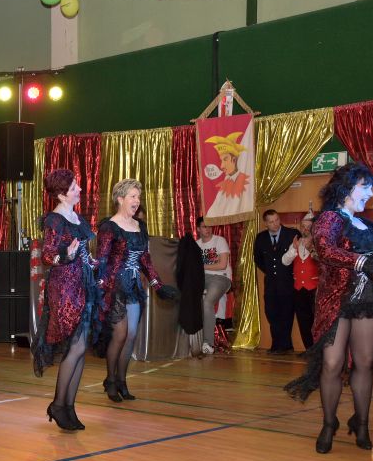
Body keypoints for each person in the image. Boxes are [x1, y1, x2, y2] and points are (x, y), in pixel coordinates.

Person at [284, 163, 373, 454]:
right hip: (334, 301)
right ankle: (328, 424)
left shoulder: (365, 226)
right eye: (365, 187)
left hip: (365, 301)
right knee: (332, 364)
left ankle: (361, 423)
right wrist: (364, 262)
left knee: (364, 363)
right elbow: (326, 249)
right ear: (346, 188)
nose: (370, 193)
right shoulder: (330, 218)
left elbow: (372, 262)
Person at [94, 179, 179, 402]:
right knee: (120, 334)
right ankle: (110, 380)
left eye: (138, 197)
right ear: (120, 199)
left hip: (133, 286)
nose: (137, 200)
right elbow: (102, 260)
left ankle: (122, 381)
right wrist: (100, 289)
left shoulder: (140, 226)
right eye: (133, 196)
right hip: (114, 286)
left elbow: (145, 259)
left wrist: (157, 285)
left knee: (131, 335)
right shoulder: (109, 227)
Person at [32, 169, 99, 431]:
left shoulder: (77, 218)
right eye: (73, 188)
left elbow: (83, 255)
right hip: (65, 288)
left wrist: (96, 264)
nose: (79, 189)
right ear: (61, 195)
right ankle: (59, 404)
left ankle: (69, 406)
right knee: (76, 346)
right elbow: (48, 255)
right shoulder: (55, 219)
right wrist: (66, 255)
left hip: (83, 285)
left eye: (77, 185)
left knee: (80, 349)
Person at [254, 209, 300, 354]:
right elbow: (258, 259)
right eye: (271, 222)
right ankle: (276, 344)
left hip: (287, 281)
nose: (275, 224)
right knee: (272, 313)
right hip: (271, 282)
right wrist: (270, 271)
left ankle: (286, 345)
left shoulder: (292, 234)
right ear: (265, 223)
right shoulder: (261, 238)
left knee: (287, 312)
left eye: (277, 220)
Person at [282, 207, 320, 350]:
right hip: (299, 288)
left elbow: (323, 261)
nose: (305, 229)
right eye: (303, 226)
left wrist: (311, 248)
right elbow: (285, 261)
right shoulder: (296, 243)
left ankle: (319, 350)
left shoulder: (320, 243)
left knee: (317, 320)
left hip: (315, 288)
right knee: (303, 321)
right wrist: (293, 248)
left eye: (309, 227)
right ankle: (309, 349)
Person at [195, 216, 231, 355]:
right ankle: (189, 340)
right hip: (202, 277)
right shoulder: (196, 245)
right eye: (204, 227)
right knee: (184, 293)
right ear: (198, 229)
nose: (208, 229)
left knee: (207, 302)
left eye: (209, 226)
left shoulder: (219, 240)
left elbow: (222, 265)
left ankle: (208, 343)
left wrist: (201, 266)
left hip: (221, 277)